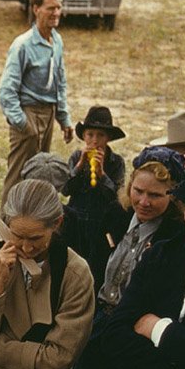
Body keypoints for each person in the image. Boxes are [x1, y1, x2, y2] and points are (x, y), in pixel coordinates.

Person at [71, 147, 185, 369]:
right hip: (95, 317)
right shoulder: (115, 214)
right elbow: (94, 265)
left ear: (172, 195)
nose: (144, 202)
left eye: (155, 195)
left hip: (131, 333)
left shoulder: (175, 237)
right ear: (129, 186)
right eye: (138, 191)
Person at [0, 179, 94, 369]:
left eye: (35, 238)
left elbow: (59, 358)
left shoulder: (75, 274)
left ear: (57, 223)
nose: (25, 248)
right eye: (17, 236)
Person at [96, 162, 185, 369]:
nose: (144, 202)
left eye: (154, 195)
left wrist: (157, 328)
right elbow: (115, 335)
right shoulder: (162, 255)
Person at [0, 0, 73, 208]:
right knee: (18, 176)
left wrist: (64, 118)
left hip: (48, 114)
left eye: (59, 7)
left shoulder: (56, 40)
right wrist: (23, 123)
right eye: (51, 8)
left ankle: (31, 227)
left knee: (40, 175)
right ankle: (7, 232)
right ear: (36, 8)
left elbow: (60, 81)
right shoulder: (23, 45)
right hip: (28, 114)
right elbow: (6, 91)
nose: (56, 13)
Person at [63, 106, 127, 285]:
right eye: (90, 134)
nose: (95, 140)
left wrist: (102, 176)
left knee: (96, 268)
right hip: (76, 222)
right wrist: (80, 165)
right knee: (72, 265)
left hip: (101, 224)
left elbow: (118, 197)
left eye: (100, 135)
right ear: (84, 136)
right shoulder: (76, 157)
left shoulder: (116, 162)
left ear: (108, 139)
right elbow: (65, 189)